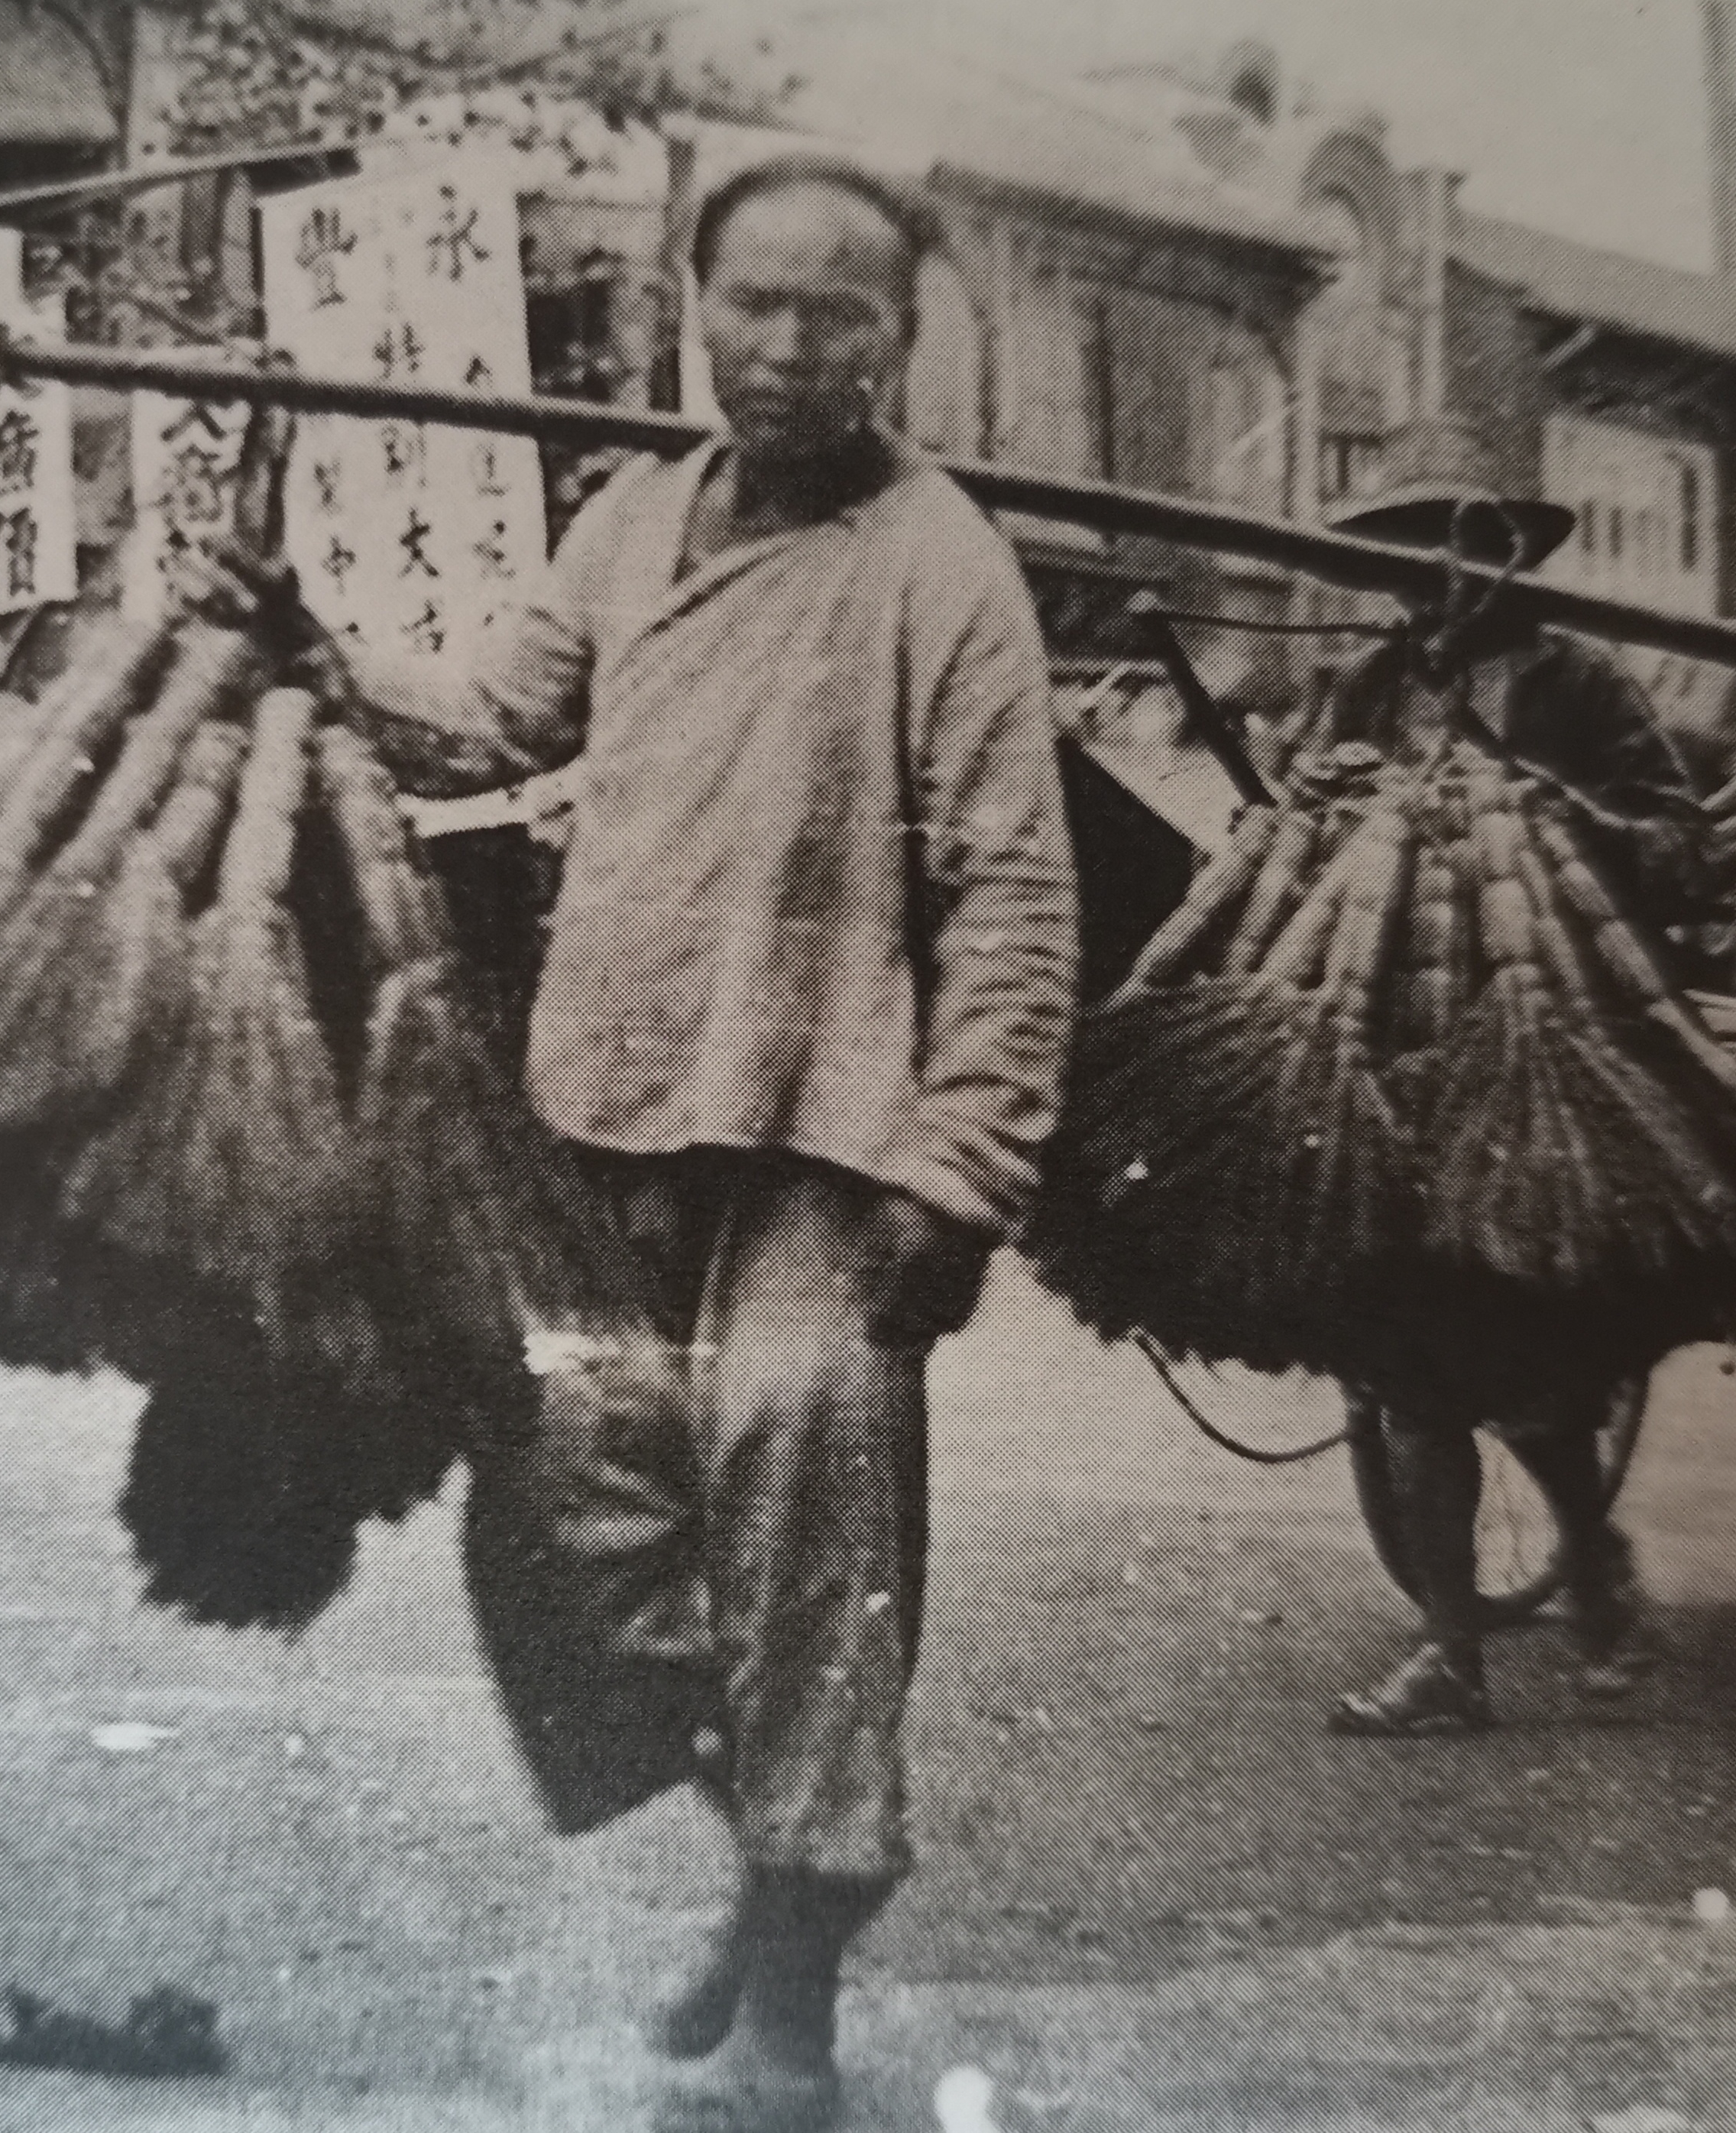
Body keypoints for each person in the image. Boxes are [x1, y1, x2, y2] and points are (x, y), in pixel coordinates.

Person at [202, 155, 1080, 2131]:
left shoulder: (941, 568)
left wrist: (960, 1167)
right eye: (751, 300)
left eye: (833, 311)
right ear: (691, 302)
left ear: (898, 338)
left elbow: (1016, 894)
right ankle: (784, 1870)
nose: (784, 345)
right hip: (597, 1111)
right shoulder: (627, 517)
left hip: (833, 1143)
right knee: (571, 1520)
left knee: (799, 1542)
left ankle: (791, 2007)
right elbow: (485, 724)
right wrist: (312, 653)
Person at [1306, 422, 1715, 1738]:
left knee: (1511, 1356)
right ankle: (1452, 1655)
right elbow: (1300, 830)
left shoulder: (1575, 681)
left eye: (1449, 543)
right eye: (1399, 550)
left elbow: (1675, 848)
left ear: (1496, 553)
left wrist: (1544, 806)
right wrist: (1307, 793)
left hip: (1543, 1035)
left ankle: (1585, 1559)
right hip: (1395, 1035)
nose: (1425, 577)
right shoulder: (1370, 681)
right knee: (1402, 1359)